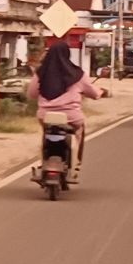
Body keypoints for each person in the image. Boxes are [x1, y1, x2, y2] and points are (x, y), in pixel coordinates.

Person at [27, 40, 109, 177]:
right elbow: (94, 93)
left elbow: (32, 94)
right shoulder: (78, 74)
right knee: (80, 132)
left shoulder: (40, 74)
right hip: (71, 117)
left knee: (45, 133)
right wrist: (101, 92)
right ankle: (77, 165)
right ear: (67, 54)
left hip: (45, 116)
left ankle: (43, 161)